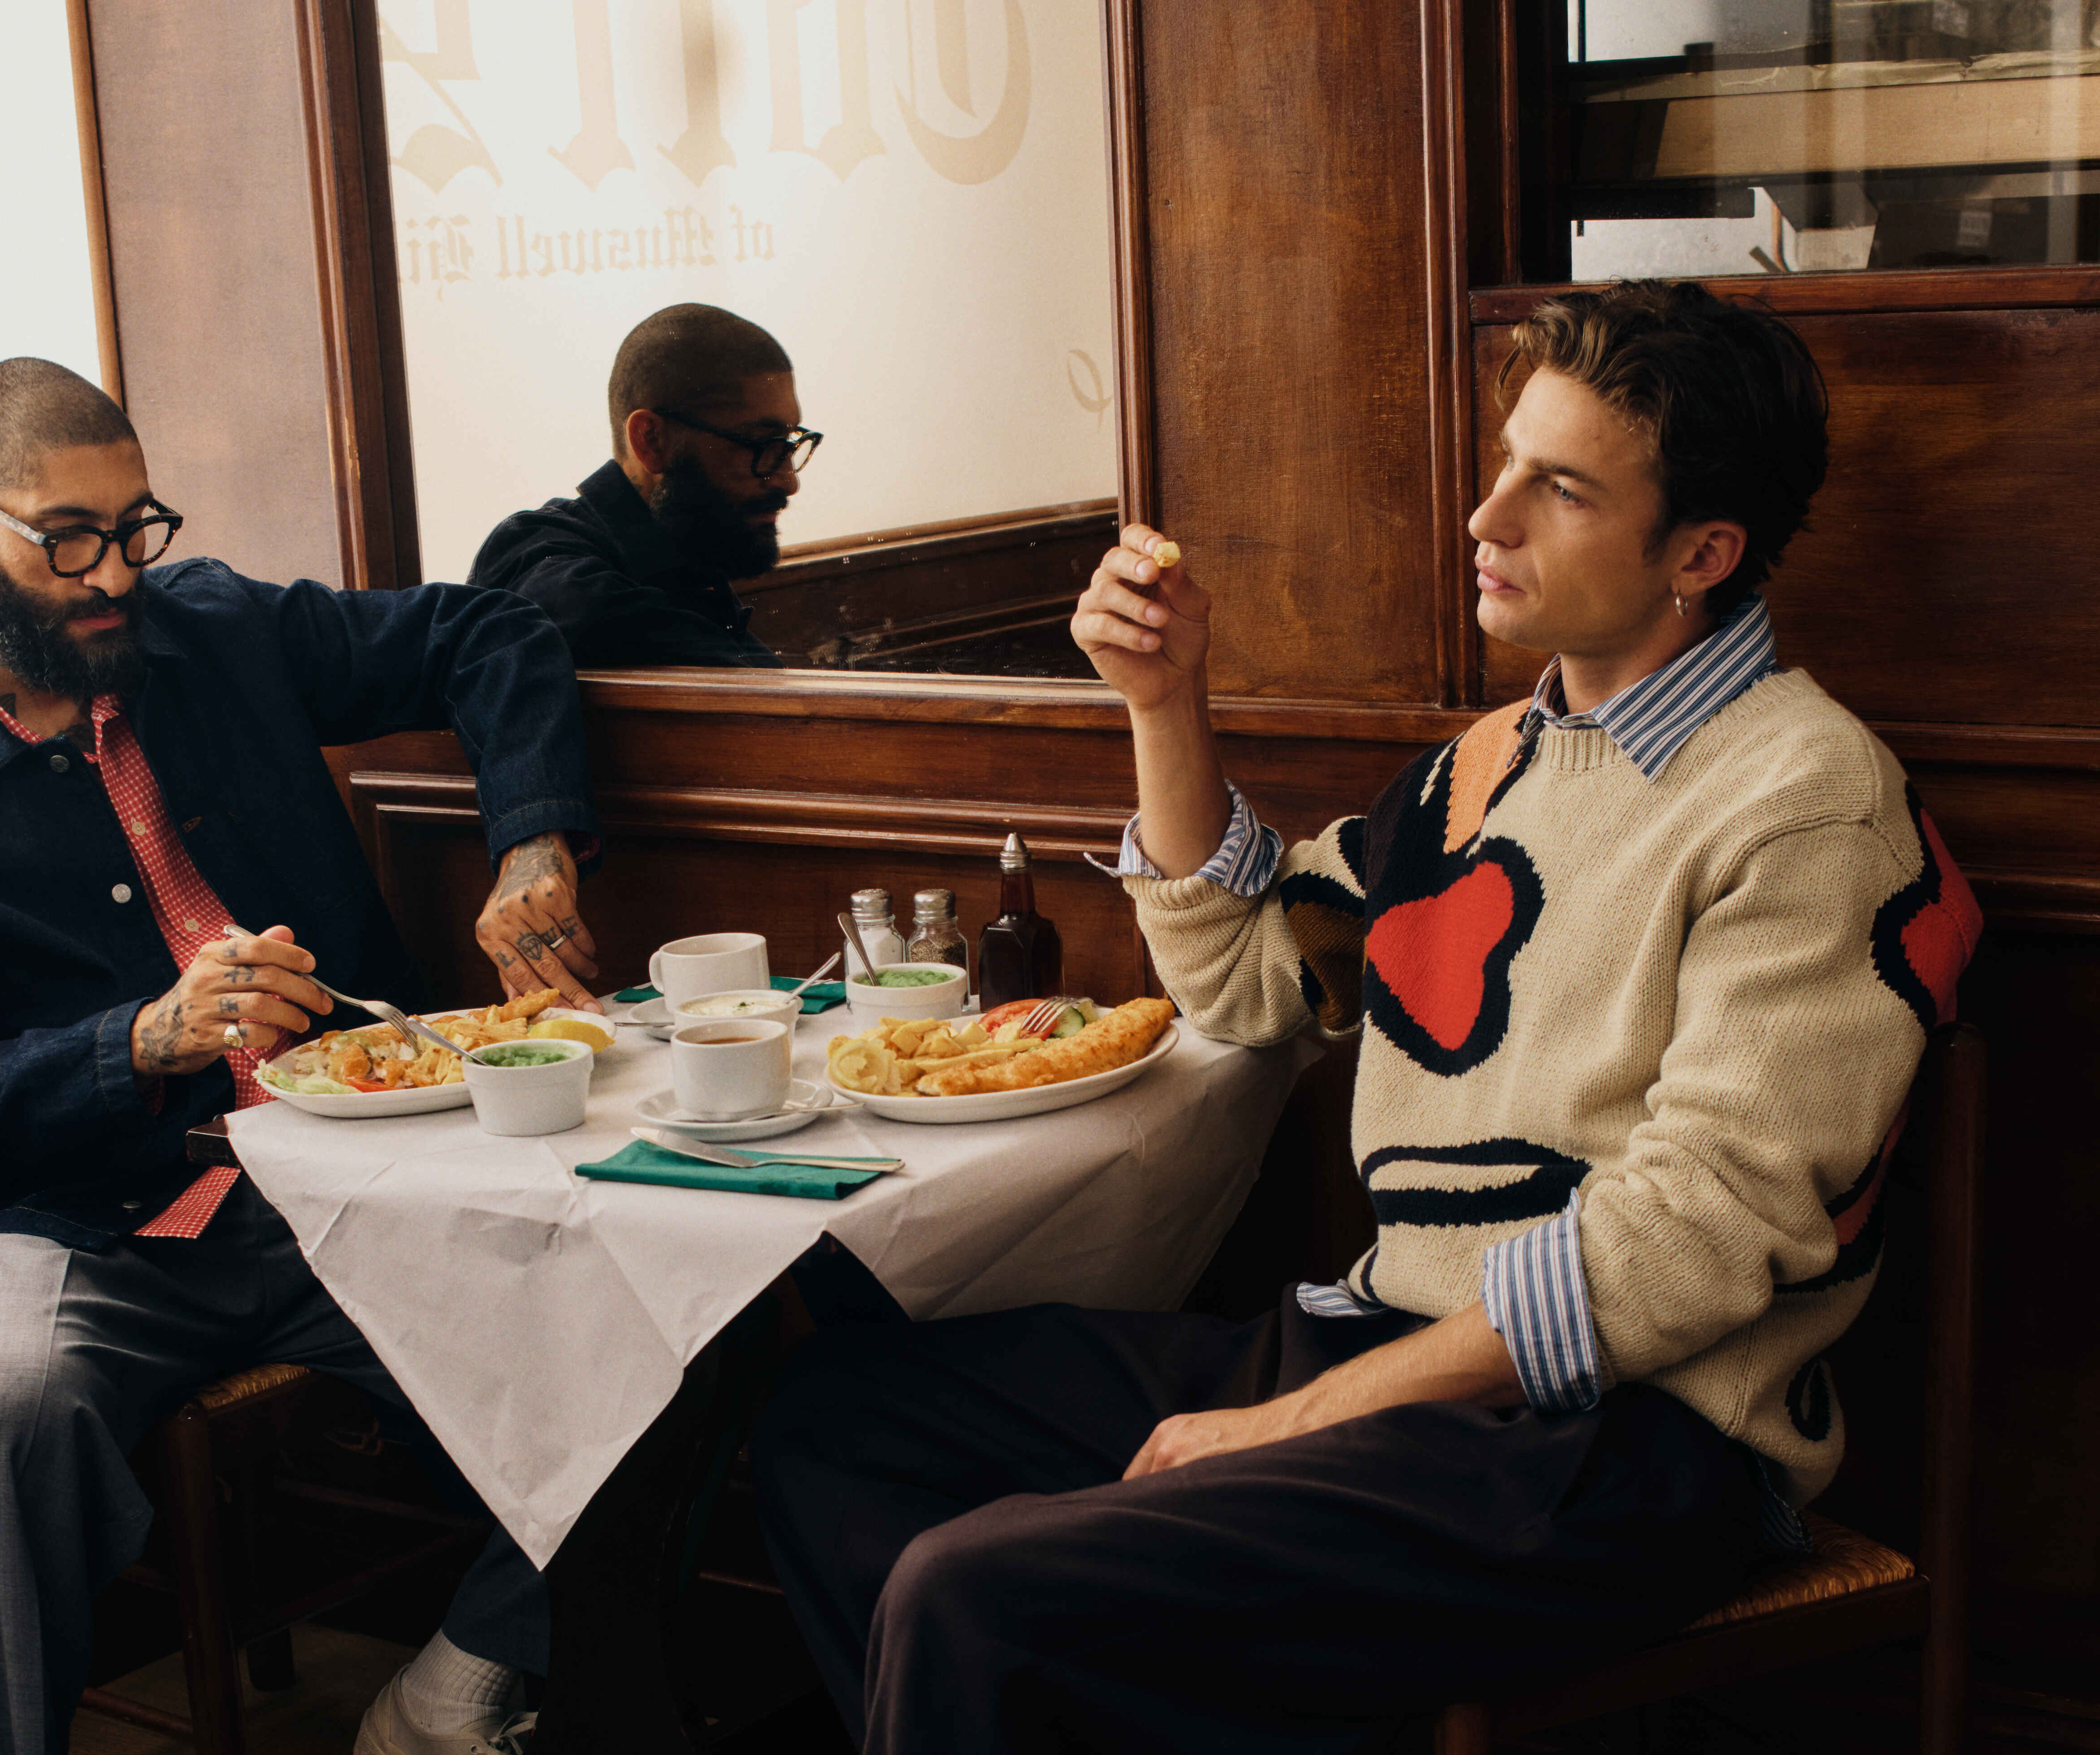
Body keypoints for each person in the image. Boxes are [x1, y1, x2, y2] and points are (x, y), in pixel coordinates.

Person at [752, 281, 1985, 1754]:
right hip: (1387, 1360)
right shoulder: (1484, 768)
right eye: (1506, 461)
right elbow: (1250, 982)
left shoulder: (1811, 801)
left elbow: (1695, 1234)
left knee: (973, 1590)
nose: (1489, 514)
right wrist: (1162, 702)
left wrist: (1285, 1424)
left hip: (1619, 1447)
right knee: (830, 1419)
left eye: (1559, 486)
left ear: (1699, 555)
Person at [0, 358, 604, 1755]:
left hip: (361, 1173)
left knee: (657, 1300)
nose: (114, 577)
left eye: (136, 526)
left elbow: (488, 633)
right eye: (67, 536)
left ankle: (458, 1682)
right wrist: (137, 1039)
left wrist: (534, 836)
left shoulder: (208, 630)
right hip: (79, 1226)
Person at [469, 303, 820, 668]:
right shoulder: (541, 560)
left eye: (790, 444)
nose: (789, 481)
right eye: (761, 445)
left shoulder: (689, 559)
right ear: (652, 440)